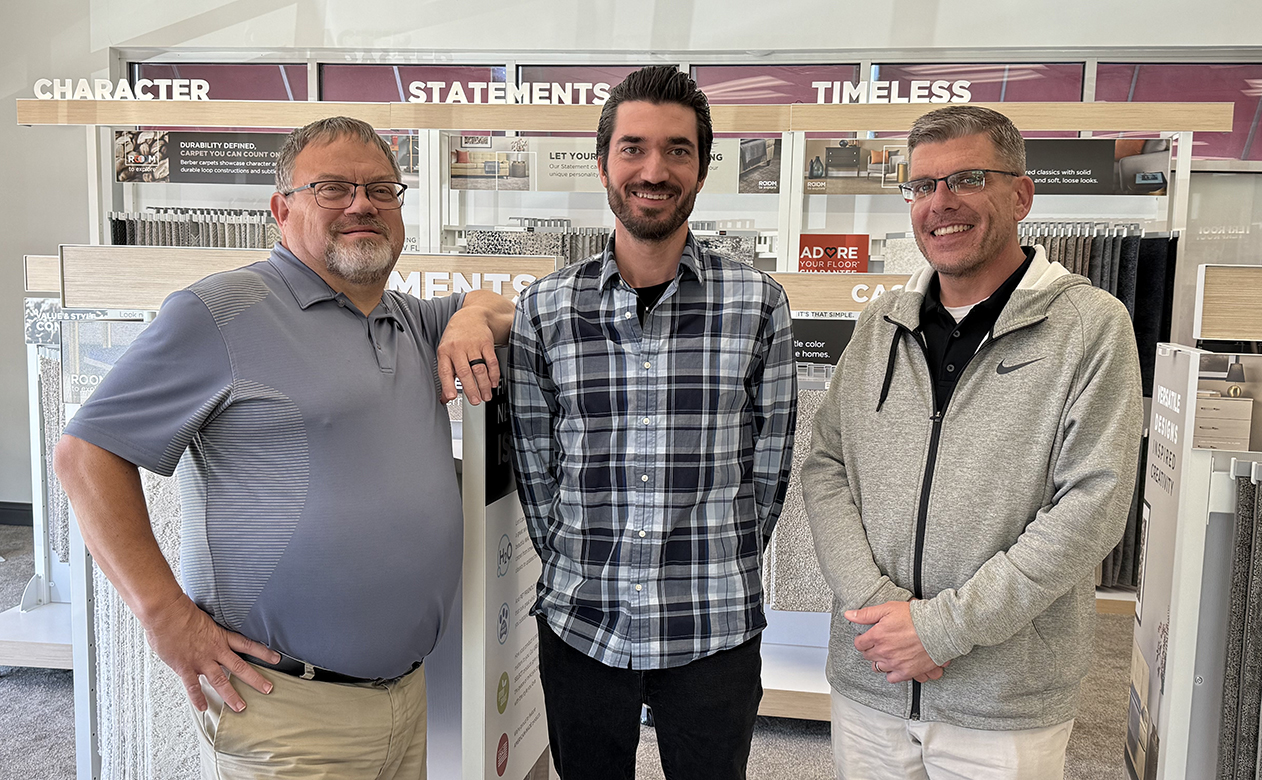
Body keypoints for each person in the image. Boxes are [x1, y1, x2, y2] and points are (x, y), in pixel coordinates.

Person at [54, 116, 513, 780]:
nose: (362, 204)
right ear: (282, 208)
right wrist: (164, 616)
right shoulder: (219, 312)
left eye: (382, 189)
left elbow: (499, 304)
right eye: (333, 188)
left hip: (406, 698)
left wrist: (470, 316)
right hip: (286, 711)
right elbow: (85, 455)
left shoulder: (407, 318)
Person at [802, 105, 1143, 780]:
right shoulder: (880, 325)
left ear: (1020, 194)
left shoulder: (1090, 327)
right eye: (922, 186)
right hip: (873, 682)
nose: (940, 203)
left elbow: (1092, 506)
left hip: (1003, 703)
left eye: (966, 179)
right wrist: (879, 611)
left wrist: (942, 629)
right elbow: (826, 466)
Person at [508, 65, 797, 780]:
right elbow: (536, 470)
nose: (654, 169)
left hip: (713, 621)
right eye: (633, 147)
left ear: (701, 168)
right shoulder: (546, 310)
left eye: (677, 150)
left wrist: (719, 560)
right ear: (604, 161)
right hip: (582, 621)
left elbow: (771, 468)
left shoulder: (757, 303)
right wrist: (577, 558)